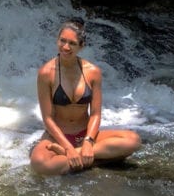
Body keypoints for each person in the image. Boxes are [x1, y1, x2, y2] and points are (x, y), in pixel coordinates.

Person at [30, 20, 141, 175]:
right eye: (62, 41)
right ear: (57, 40)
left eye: (72, 43)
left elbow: (95, 113)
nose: (66, 47)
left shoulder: (92, 72)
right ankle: (95, 159)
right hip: (57, 138)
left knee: (133, 140)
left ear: (81, 46)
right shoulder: (46, 73)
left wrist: (88, 142)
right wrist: (67, 147)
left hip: (85, 136)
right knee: (40, 164)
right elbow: (48, 119)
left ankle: (75, 156)